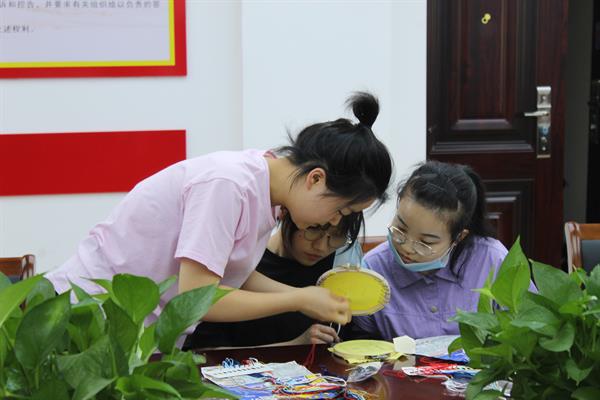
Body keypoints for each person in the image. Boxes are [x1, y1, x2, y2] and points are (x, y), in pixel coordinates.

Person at [46, 92, 393, 343]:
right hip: (86, 319)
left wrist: (305, 296)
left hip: (131, 328)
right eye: (341, 210)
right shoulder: (229, 186)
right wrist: (298, 299)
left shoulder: (266, 191)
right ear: (315, 179)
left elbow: (232, 272)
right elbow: (198, 297)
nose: (333, 222)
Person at [352, 161, 535, 341]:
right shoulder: (373, 269)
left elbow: (530, 326)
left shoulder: (492, 259)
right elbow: (360, 346)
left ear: (459, 237)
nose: (407, 247)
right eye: (400, 229)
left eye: (425, 242)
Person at [183, 211, 363, 350]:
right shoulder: (244, 263)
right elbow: (206, 353)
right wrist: (295, 345)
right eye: (314, 229)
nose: (321, 247)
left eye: (337, 235)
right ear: (287, 213)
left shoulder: (335, 268)